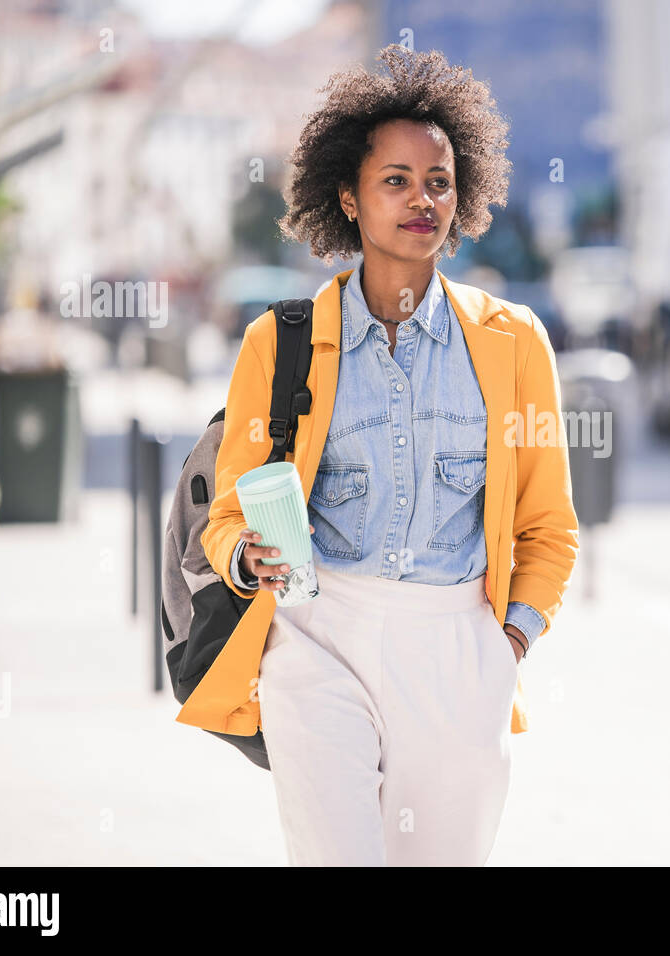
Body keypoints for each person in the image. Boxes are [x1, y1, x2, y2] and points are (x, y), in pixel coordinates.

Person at [199, 46, 579, 865]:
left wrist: (503, 647)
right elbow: (228, 512)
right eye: (396, 180)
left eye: (438, 181)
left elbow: (551, 525)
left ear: (463, 193)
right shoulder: (282, 342)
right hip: (316, 636)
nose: (422, 200)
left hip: (458, 651)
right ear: (350, 196)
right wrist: (248, 555)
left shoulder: (515, 344)